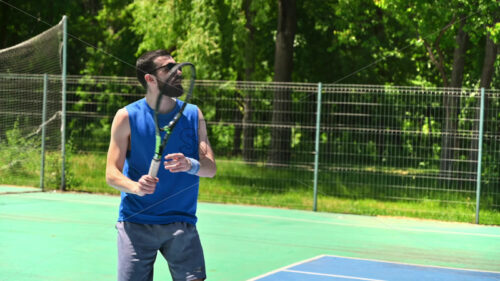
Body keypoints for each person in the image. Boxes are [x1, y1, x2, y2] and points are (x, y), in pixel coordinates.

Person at [106, 49, 216, 281]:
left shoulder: (194, 115)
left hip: (181, 223)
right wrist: (136, 187)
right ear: (150, 78)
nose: (178, 71)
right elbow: (111, 174)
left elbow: (210, 168)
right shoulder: (126, 117)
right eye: (168, 68)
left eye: (178, 66)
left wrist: (191, 164)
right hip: (136, 223)